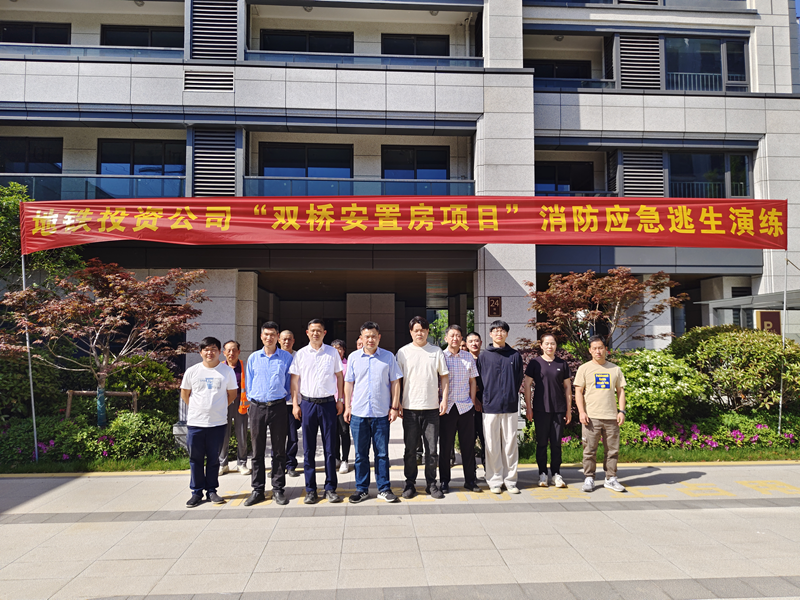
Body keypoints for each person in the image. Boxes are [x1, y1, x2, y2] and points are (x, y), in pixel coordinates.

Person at [343, 321, 403, 503]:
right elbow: (349, 383)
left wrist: (394, 407)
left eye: (373, 336)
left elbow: (395, 382)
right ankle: (361, 489)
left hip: (381, 413)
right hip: (359, 413)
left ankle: (384, 488)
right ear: (361, 338)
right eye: (367, 336)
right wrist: (347, 406)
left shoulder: (388, 357)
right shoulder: (353, 357)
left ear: (379, 337)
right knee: (360, 455)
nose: (370, 339)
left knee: (382, 454)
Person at [291, 318, 345, 504]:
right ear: (307, 333)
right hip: (308, 404)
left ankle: (330, 488)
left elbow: (339, 376)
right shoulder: (301, 354)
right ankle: (310, 489)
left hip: (328, 404)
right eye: (312, 330)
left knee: (330, 448)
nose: (315, 333)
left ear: (324, 333)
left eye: (319, 330)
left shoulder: (332, 352)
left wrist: (340, 400)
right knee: (309, 449)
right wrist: (296, 404)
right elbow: (294, 381)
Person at [181, 337, 239, 508]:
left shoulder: (226, 371)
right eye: (206, 349)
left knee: (214, 459)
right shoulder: (192, 371)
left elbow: (232, 394)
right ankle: (196, 492)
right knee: (195, 459)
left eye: (213, 349)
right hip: (196, 423)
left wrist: (217, 408)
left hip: (217, 423)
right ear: (200, 352)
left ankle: (212, 490)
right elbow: (185, 393)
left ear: (219, 352)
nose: (210, 352)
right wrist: (198, 408)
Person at [396, 316, 449, 499]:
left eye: (423, 330)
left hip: (431, 408)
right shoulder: (403, 352)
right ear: (411, 332)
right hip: (410, 408)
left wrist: (444, 399)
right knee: (410, 450)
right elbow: (397, 380)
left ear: (427, 331)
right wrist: (398, 402)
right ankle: (410, 483)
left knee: (432, 450)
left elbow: (444, 377)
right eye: (416, 330)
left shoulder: (436, 351)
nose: (419, 333)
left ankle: (431, 484)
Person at [244, 322, 293, 506]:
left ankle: (278, 489)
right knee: (257, 451)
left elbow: (289, 383)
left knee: (279, 450)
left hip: (278, 407)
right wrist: (254, 400)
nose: (269, 338)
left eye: (273, 334)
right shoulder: (254, 358)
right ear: (261, 336)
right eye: (266, 334)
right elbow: (249, 383)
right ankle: (257, 489)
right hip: (257, 407)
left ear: (277, 337)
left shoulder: (286, 358)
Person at [574, 335, 627, 493]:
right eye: (595, 348)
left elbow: (621, 391)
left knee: (612, 450)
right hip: (591, 417)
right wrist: (581, 412)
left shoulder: (615, 369)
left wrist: (621, 411)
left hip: (611, 417)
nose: (598, 351)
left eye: (601, 348)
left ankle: (611, 478)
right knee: (589, 450)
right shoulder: (584, 368)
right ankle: (589, 478)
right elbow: (578, 392)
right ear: (590, 350)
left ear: (606, 349)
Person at [476, 320, 523, 495]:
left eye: (502, 330)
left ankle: (510, 480)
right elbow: (479, 381)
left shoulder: (515, 355)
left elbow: (518, 379)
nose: (499, 333)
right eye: (495, 330)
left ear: (507, 334)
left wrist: (510, 394)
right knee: (492, 445)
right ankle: (494, 479)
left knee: (511, 444)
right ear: (490, 334)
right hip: (490, 407)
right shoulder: (484, 356)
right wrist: (486, 397)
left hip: (510, 406)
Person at [523, 334, 572, 488]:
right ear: (541, 345)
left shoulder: (562, 364)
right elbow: (527, 386)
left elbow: (567, 388)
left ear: (556, 345)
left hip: (558, 409)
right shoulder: (535, 363)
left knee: (556, 443)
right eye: (547, 343)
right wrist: (529, 408)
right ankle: (542, 473)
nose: (550, 346)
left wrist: (568, 410)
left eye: (553, 343)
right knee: (542, 442)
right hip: (540, 409)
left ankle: (556, 474)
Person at [439, 325, 480, 494]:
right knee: (445, 447)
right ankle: (444, 481)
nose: (455, 338)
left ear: (461, 339)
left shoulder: (467, 357)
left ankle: (470, 480)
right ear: (446, 338)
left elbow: (473, 381)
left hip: (465, 407)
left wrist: (472, 401)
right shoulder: (440, 356)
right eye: (452, 335)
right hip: (447, 408)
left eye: (458, 336)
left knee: (468, 446)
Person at [219, 340, 251, 477]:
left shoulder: (245, 366)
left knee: (242, 435)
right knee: (223, 435)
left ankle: (241, 463)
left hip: (240, 403)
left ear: (239, 351)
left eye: (234, 350)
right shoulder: (219, 367)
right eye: (228, 350)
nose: (231, 353)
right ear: (224, 352)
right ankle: (222, 464)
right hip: (223, 404)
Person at [279, 330, 301, 478]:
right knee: (278, 437)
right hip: (277, 402)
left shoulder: (299, 356)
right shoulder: (275, 356)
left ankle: (291, 464)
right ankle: (278, 465)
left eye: (289, 339)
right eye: (284, 339)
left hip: (294, 402)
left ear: (293, 341)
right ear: (279, 340)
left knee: (292, 436)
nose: (286, 342)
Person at [331, 339, 351, 475]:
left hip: (343, 403)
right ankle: (336, 458)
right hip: (329, 403)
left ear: (344, 350)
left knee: (344, 431)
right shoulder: (328, 364)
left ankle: (345, 460)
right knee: (332, 432)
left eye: (339, 348)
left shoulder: (347, 365)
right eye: (334, 348)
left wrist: (347, 404)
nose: (337, 351)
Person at [466, 331, 486, 469]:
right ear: (467, 344)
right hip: (469, 404)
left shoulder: (486, 359)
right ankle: (471, 470)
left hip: (486, 404)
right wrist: (475, 400)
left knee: (486, 439)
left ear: (481, 343)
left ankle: (488, 469)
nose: (474, 343)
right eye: (471, 341)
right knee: (469, 440)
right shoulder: (464, 360)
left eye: (476, 341)